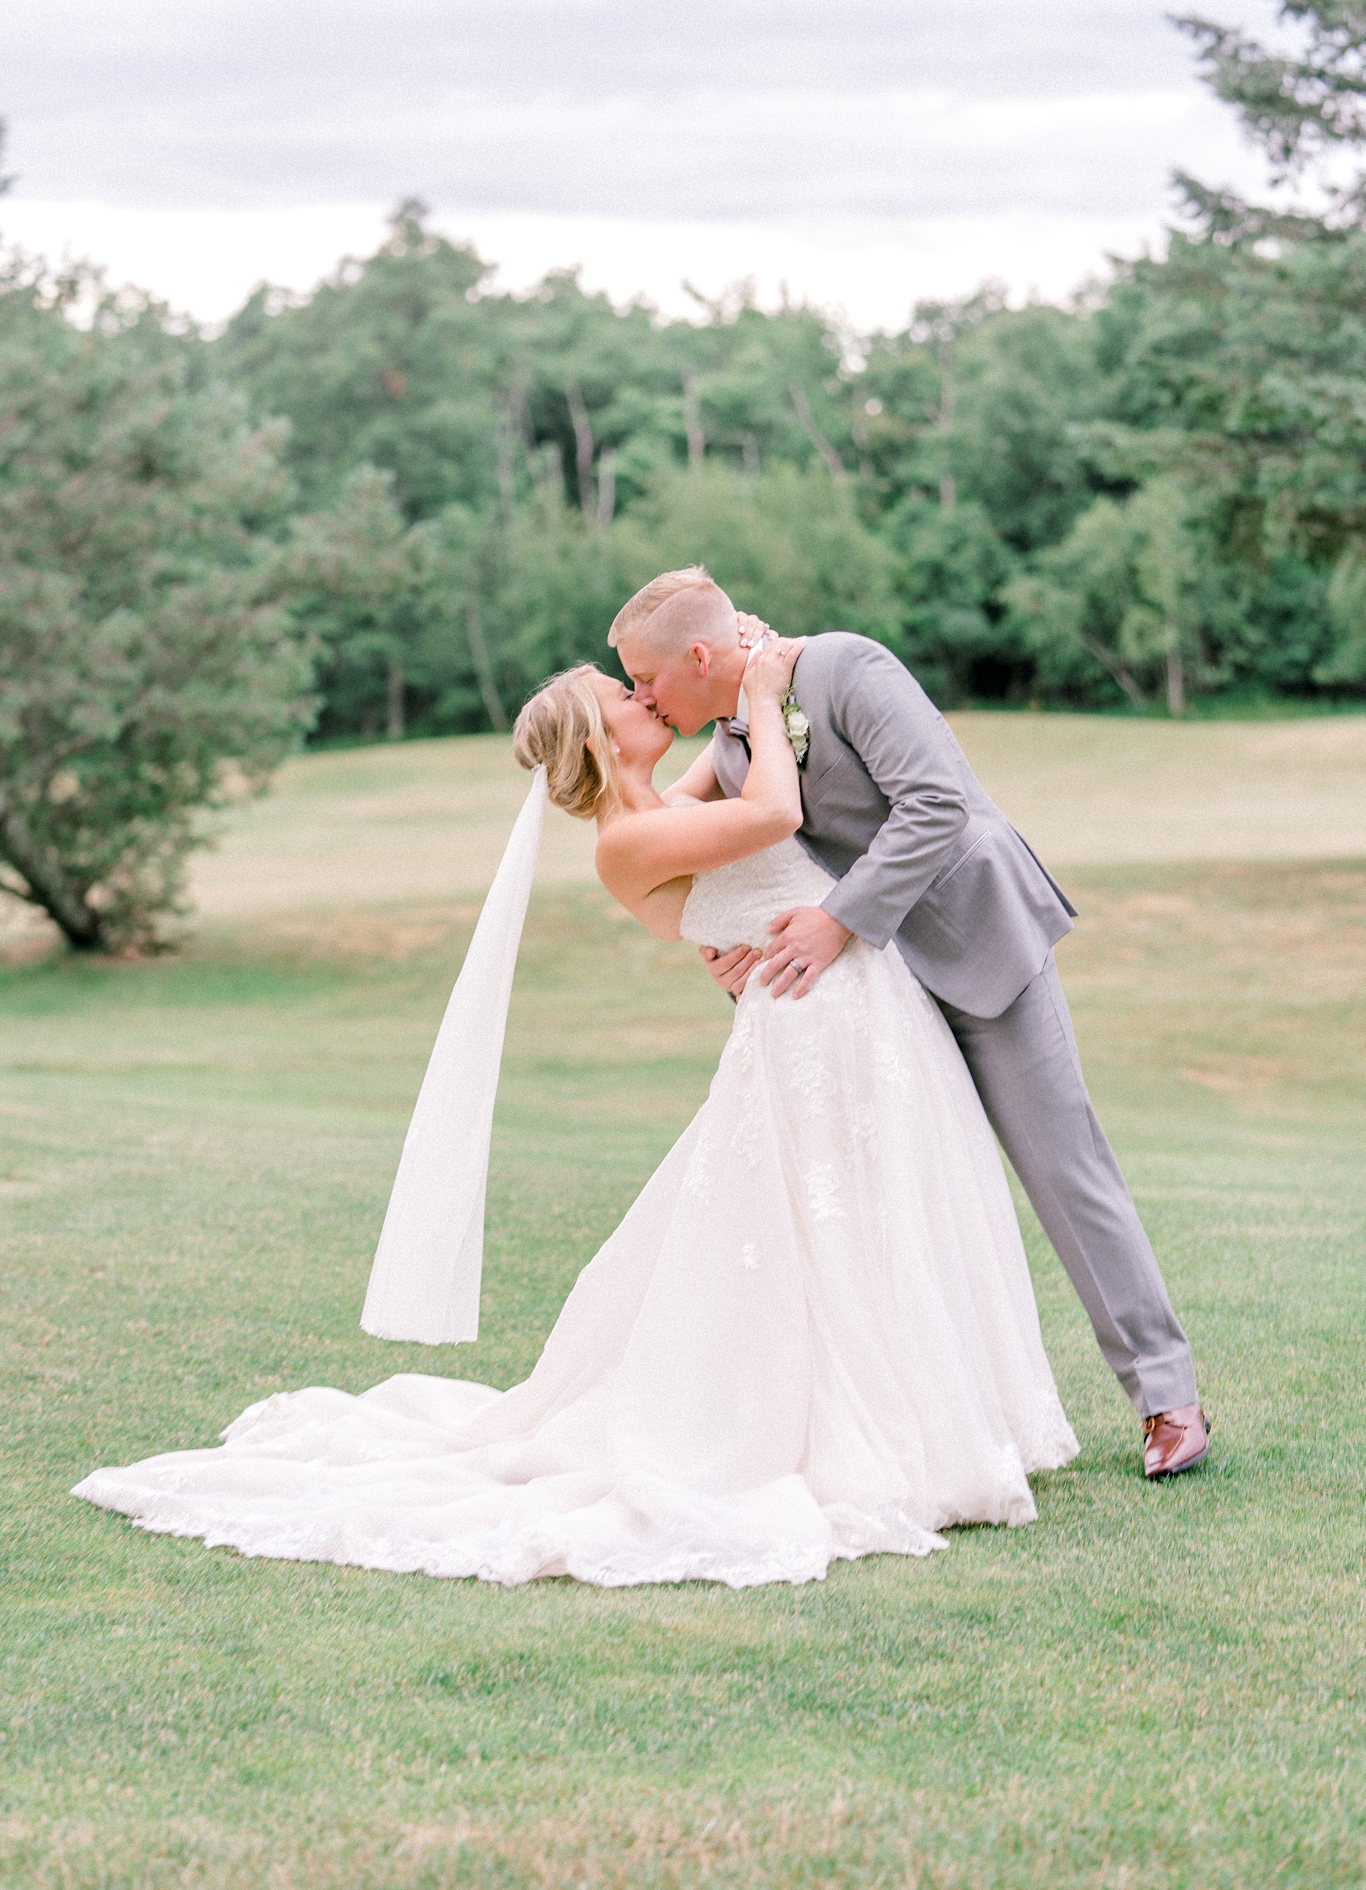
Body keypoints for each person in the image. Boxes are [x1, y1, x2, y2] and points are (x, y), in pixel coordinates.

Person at [72, 633, 1078, 1588]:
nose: (644, 696)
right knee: (840, 1228)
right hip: (816, 1027)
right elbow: (773, 812)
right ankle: (890, 1437)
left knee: (873, 1220)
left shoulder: (652, 804)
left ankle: (931, 1414)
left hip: (846, 1015)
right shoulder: (627, 839)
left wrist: (733, 696)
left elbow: (722, 798)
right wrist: (764, 699)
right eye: (622, 695)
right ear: (601, 739)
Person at [609, 569, 1209, 1482]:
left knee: (1064, 1167)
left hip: (978, 945)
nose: (642, 697)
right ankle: (941, 1421)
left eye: (646, 679)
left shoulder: (849, 668)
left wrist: (837, 919)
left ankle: (1168, 1399)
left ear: (700, 655)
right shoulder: (738, 741)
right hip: (877, 1002)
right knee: (906, 1196)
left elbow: (938, 804)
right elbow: (679, 849)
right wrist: (714, 939)